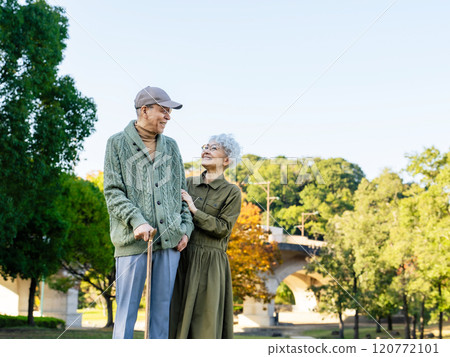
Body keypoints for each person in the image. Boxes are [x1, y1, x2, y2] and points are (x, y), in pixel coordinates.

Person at [103, 86, 194, 339]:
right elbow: (113, 192)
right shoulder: (116, 144)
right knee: (126, 314)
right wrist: (137, 221)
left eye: (169, 112)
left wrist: (185, 229)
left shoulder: (172, 147)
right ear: (145, 110)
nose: (168, 117)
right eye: (163, 110)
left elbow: (181, 193)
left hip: (170, 243)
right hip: (132, 244)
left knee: (160, 315)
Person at [170, 134, 242, 339]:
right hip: (182, 257)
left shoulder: (232, 192)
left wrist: (193, 209)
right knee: (174, 317)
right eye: (205, 147)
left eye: (214, 148)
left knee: (205, 325)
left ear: (226, 160)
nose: (206, 150)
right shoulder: (187, 183)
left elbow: (222, 229)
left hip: (211, 264)